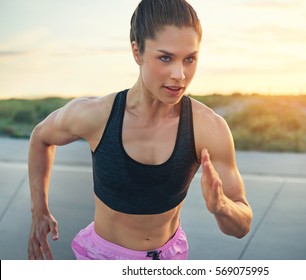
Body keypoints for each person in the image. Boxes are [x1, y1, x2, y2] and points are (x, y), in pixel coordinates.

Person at [28, 0, 252, 260]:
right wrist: (39, 210)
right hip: (101, 259)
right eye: (165, 58)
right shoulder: (96, 115)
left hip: (168, 259)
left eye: (190, 59)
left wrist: (222, 207)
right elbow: (40, 138)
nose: (180, 74)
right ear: (137, 52)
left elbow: (241, 226)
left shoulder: (209, 127)